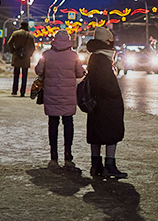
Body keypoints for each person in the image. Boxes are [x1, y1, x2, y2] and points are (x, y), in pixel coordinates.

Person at [35, 30, 85, 165]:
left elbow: (39, 71)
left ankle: (54, 153)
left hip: (51, 95)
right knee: (68, 122)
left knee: (53, 123)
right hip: (68, 96)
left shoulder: (47, 55)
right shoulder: (74, 56)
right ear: (68, 40)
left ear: (55, 40)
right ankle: (68, 153)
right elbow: (80, 74)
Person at [86, 27, 127, 179]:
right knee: (111, 133)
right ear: (105, 42)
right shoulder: (102, 58)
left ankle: (96, 165)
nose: (113, 44)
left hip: (98, 103)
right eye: (110, 41)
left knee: (97, 134)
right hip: (106, 104)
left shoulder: (96, 56)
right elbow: (103, 83)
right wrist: (115, 93)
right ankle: (109, 165)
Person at [7, 21, 36, 97]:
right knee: (24, 75)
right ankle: (22, 92)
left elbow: (9, 43)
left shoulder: (16, 33)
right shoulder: (30, 36)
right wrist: (29, 54)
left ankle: (14, 90)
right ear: (27, 26)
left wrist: (13, 51)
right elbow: (33, 47)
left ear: (21, 26)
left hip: (16, 56)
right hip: (25, 58)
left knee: (16, 74)